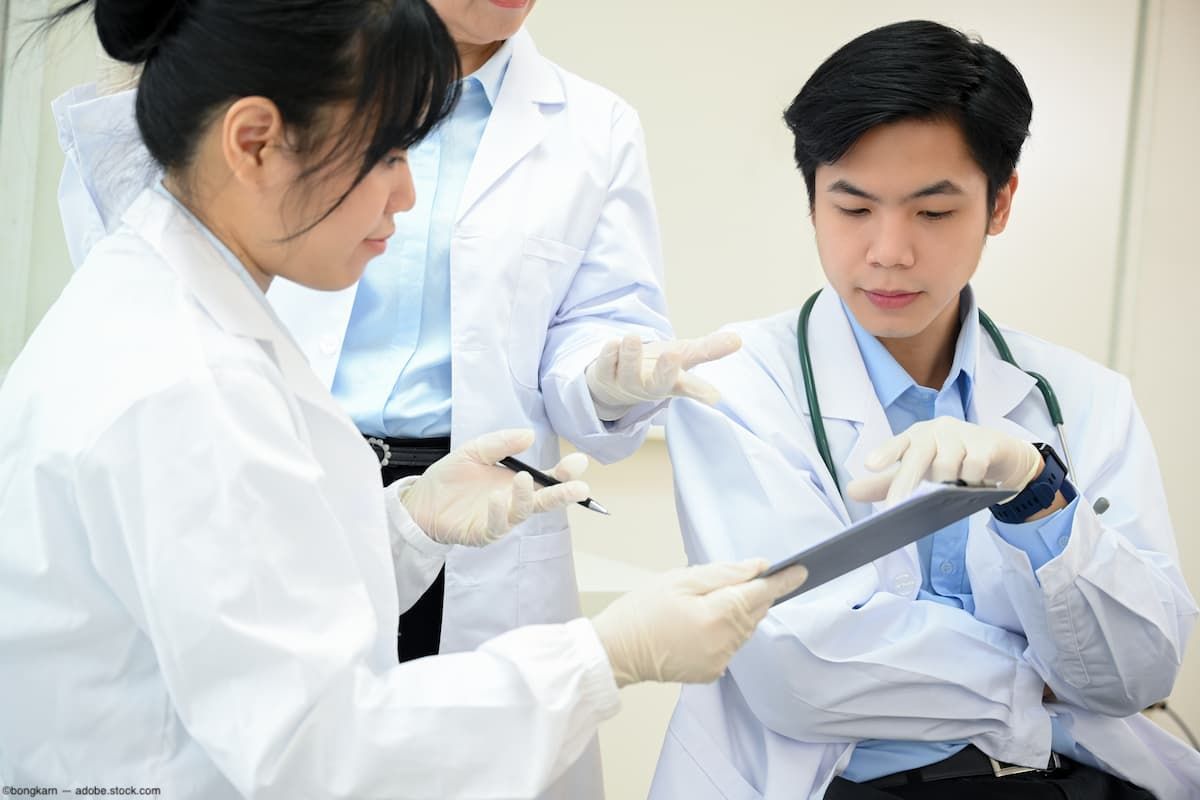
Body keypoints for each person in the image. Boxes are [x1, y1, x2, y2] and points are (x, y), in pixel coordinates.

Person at [0, 2, 807, 798]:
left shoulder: (167, 300)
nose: (409, 195)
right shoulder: (189, 386)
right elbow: (323, 754)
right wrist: (606, 656)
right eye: (388, 153)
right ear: (255, 143)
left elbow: (247, 588)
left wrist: (407, 526)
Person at [647, 20, 1200, 800]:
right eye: (853, 208)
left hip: (1063, 782)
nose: (889, 252)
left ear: (1000, 203)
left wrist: (1038, 498)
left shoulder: (1085, 397)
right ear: (812, 201)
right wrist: (1043, 677)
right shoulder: (735, 384)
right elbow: (799, 671)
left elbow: (1139, 670)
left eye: (933, 213)